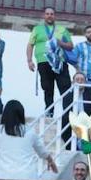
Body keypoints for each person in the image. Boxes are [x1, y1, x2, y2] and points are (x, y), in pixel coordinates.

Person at [27, 8, 74, 143]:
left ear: (55, 16)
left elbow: (70, 46)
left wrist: (61, 43)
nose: (49, 16)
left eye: (52, 14)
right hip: (43, 62)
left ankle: (68, 113)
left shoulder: (62, 30)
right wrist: (29, 60)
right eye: (47, 14)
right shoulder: (37, 29)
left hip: (59, 62)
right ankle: (49, 112)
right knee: (47, 88)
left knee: (65, 89)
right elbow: (30, 45)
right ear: (44, 16)